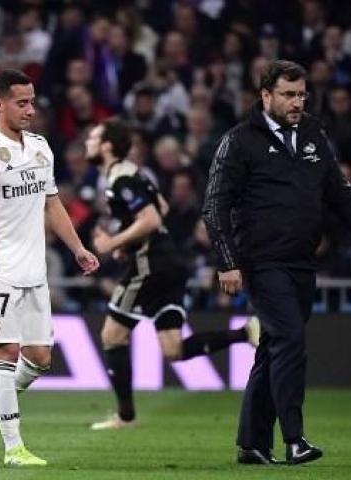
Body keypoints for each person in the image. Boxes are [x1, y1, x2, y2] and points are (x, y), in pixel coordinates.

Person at [202, 60, 351, 466]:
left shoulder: (312, 135)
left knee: (273, 348)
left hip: (303, 262)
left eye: (301, 94)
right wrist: (227, 261)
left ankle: (252, 443)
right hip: (261, 261)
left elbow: (340, 192)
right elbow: (214, 205)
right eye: (288, 94)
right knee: (289, 339)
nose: (297, 102)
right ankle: (294, 438)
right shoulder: (239, 141)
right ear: (265, 95)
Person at [0, 69, 100, 467]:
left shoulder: (40, 147)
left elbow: (52, 203)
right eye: (22, 102)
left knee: (39, 358)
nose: (30, 110)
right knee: (6, 353)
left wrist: (78, 248)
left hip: (35, 270)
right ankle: (14, 449)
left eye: (32, 101)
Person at [85, 118, 260, 431]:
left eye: (94, 136)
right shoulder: (134, 174)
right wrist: (130, 238)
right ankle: (246, 333)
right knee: (173, 350)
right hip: (170, 263)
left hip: (150, 264)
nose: (88, 140)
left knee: (112, 335)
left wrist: (113, 242)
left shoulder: (121, 180)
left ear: (108, 145)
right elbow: (162, 206)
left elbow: (151, 218)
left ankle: (125, 417)